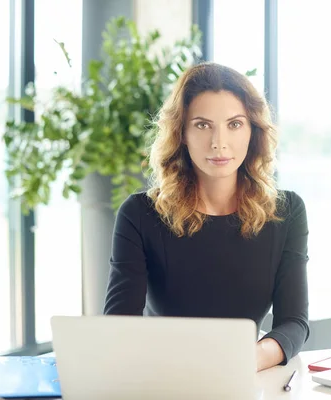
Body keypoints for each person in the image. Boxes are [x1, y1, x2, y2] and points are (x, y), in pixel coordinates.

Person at [104, 62, 309, 371]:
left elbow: (294, 323)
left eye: (235, 124)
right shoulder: (140, 214)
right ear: (182, 133)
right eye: (202, 125)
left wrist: (247, 360)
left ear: (252, 131)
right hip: (164, 377)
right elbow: (119, 327)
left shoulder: (287, 211)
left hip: (245, 376)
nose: (219, 142)